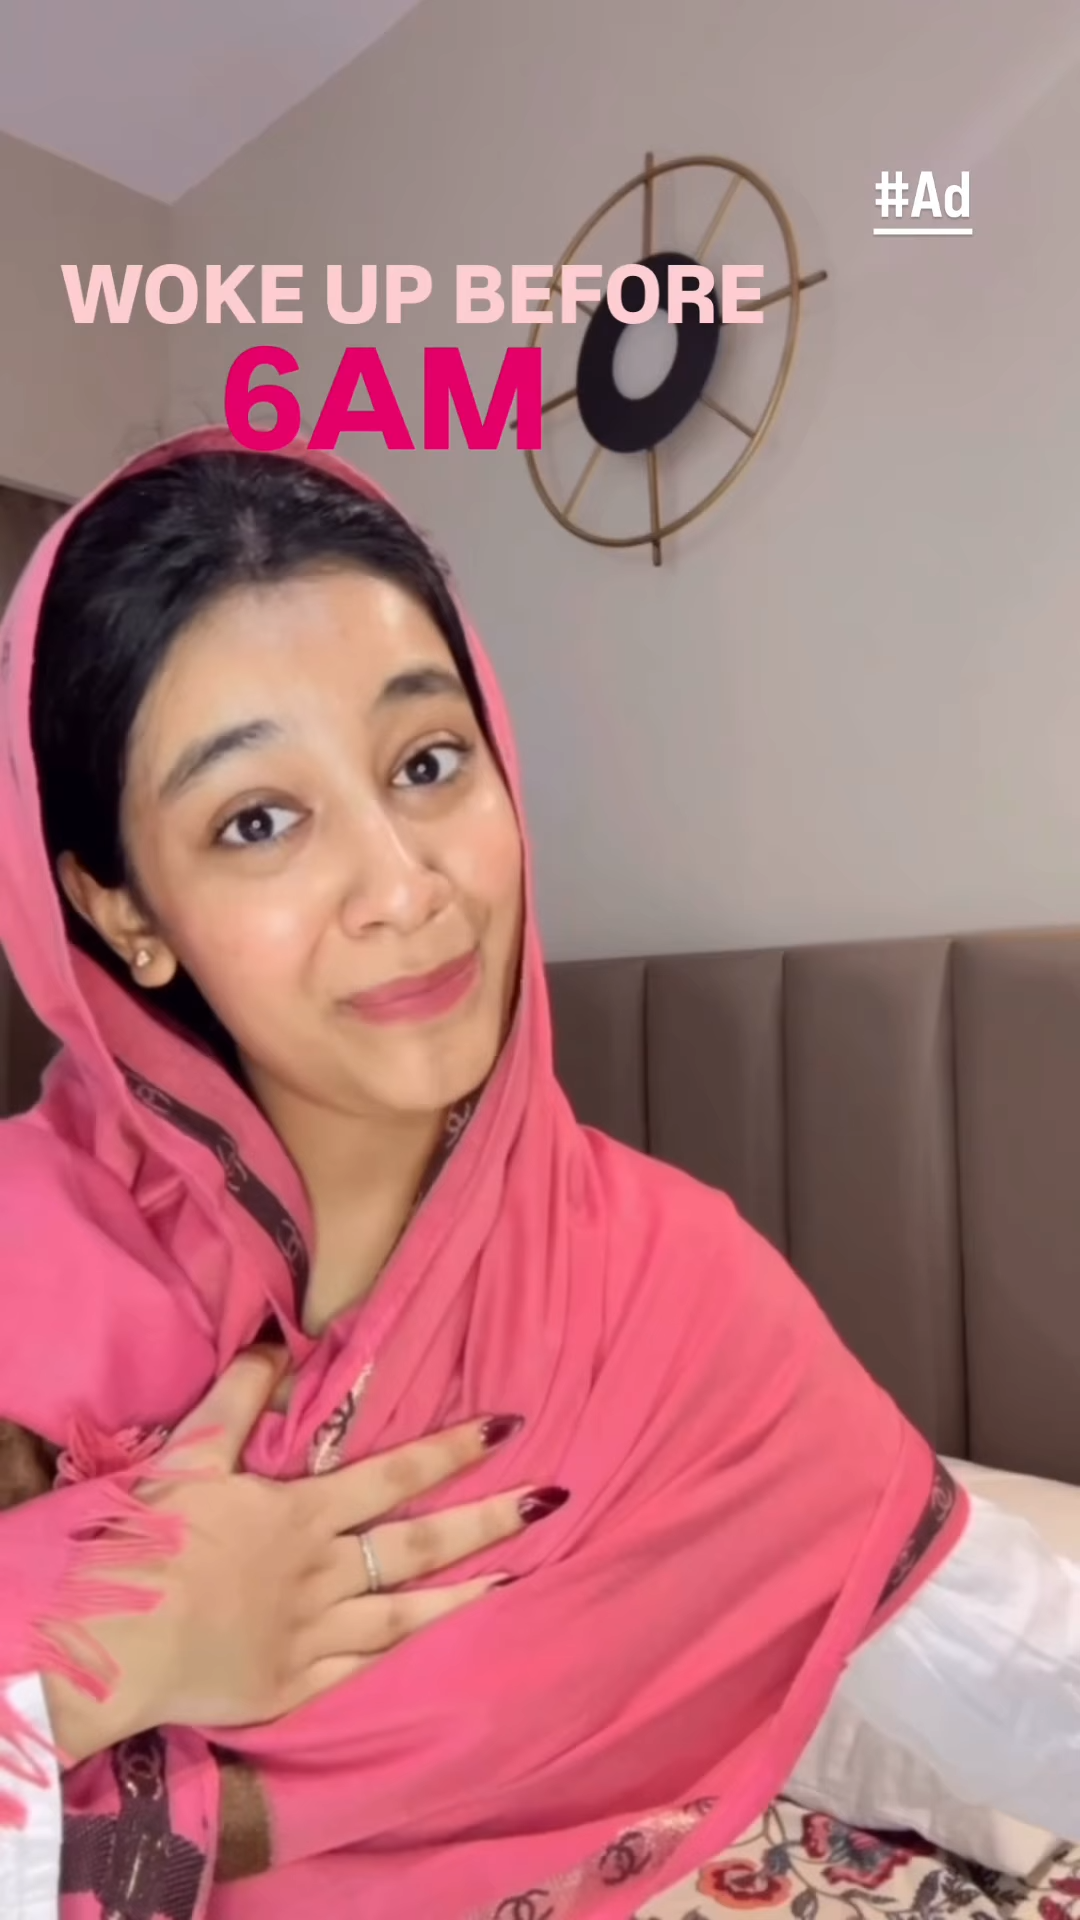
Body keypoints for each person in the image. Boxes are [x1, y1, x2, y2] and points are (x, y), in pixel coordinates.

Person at [0, 427, 1077, 1920]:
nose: (404, 888)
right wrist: (86, 1662)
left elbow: (1021, 1669)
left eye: (427, 764)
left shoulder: (673, 1298)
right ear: (122, 910)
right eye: (258, 820)